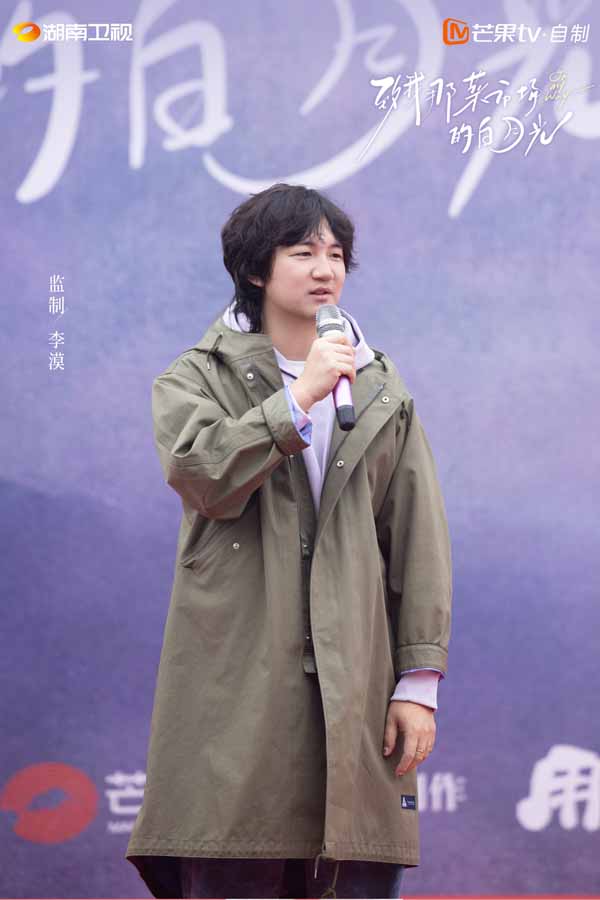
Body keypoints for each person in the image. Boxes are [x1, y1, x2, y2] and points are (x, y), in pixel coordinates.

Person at [125, 183, 452, 898]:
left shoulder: (379, 388)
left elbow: (415, 535)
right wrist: (298, 398)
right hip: (239, 682)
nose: (325, 268)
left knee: (353, 866)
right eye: (302, 252)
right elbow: (202, 475)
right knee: (236, 852)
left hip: (355, 679)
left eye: (335, 254)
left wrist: (418, 682)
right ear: (254, 270)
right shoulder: (197, 377)